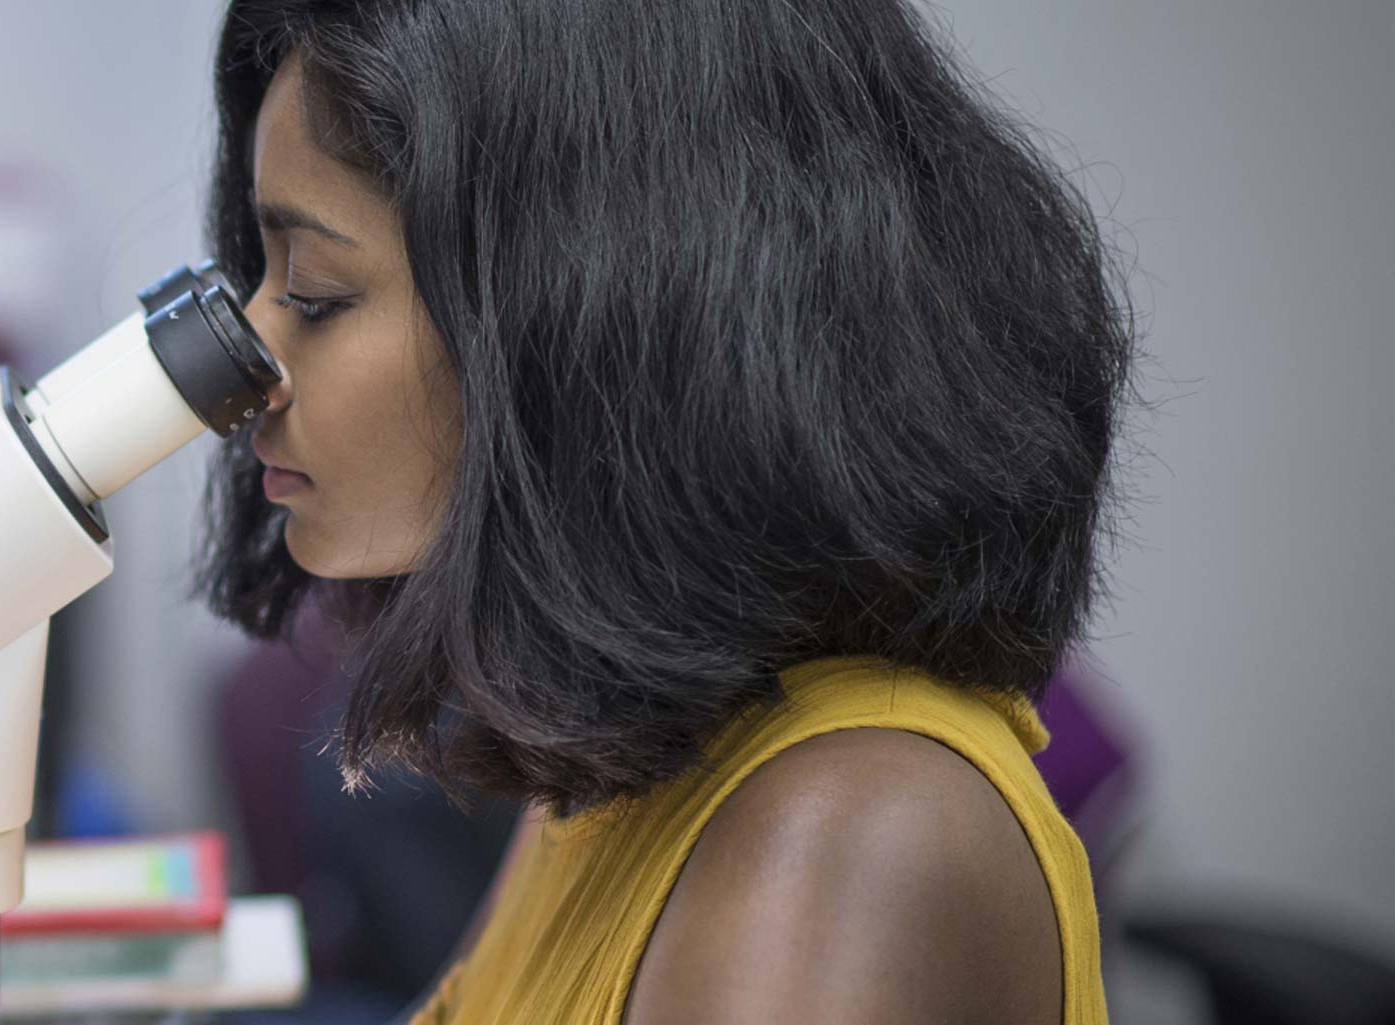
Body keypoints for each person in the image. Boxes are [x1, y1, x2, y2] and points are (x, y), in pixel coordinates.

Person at [195, 1, 1131, 1023]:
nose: (246, 366)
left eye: (318, 290)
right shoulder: (619, 763)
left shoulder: (847, 842)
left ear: (592, 319)